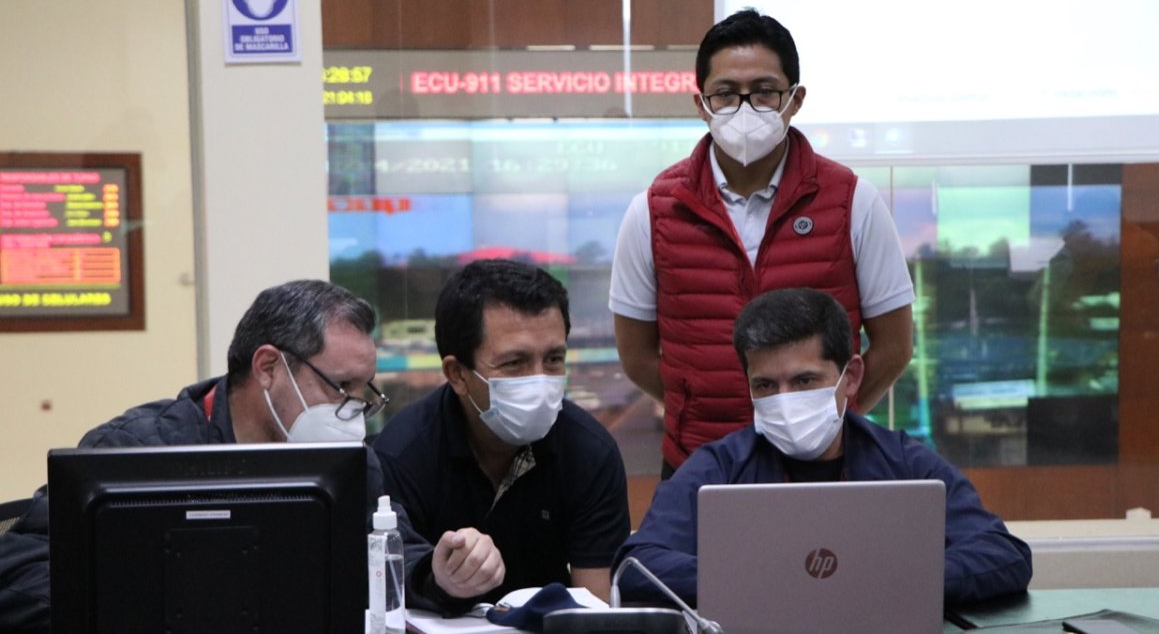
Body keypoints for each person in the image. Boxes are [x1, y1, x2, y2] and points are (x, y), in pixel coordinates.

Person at [0, 280, 505, 632]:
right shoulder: (138, 449)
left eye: (364, 389)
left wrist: (441, 575)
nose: (357, 411)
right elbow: (18, 571)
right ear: (268, 367)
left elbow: (393, 554)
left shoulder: (348, 462)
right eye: (341, 386)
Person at [609, 8, 915, 477]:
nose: (745, 108)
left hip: (829, 464)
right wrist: (696, 407)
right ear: (701, 104)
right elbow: (636, 357)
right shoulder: (652, 212)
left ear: (794, 100)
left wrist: (833, 418)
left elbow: (893, 347)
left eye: (766, 92)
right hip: (697, 465)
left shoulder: (853, 201)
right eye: (726, 94)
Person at [613, 288, 1032, 606]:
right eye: (765, 385)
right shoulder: (718, 468)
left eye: (804, 381)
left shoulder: (903, 461)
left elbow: (1005, 555)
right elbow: (638, 566)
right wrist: (775, 582)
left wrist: (889, 581)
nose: (784, 398)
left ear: (850, 377)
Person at [373, 259, 630, 609]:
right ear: (457, 374)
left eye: (554, 359)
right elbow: (387, 592)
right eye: (514, 363)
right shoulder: (401, 454)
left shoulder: (590, 452)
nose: (539, 380)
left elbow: (596, 610)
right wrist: (440, 579)